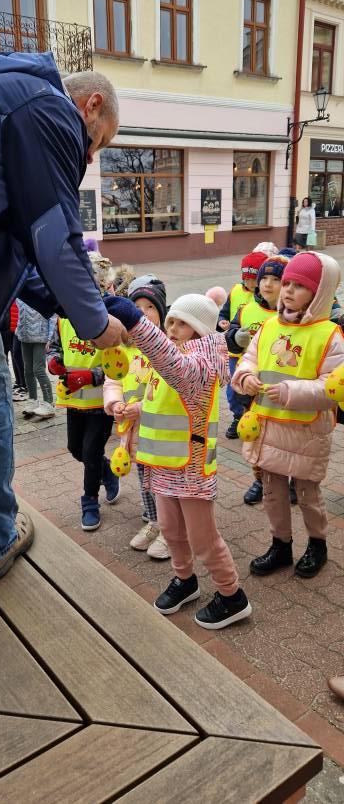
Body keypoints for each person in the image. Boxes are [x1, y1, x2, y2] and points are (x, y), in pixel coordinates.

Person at [0, 53, 125, 606]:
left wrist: (69, 305)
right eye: (99, 142)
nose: (90, 156)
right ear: (90, 105)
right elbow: (52, 237)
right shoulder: (48, 107)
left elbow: (21, 255)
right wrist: (96, 323)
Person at [104, 291, 252, 630]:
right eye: (170, 321)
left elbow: (177, 371)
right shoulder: (178, 356)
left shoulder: (201, 363)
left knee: (203, 538)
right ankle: (185, 580)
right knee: (171, 530)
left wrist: (135, 321)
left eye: (181, 324)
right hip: (164, 464)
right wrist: (135, 408)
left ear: (200, 329)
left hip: (191, 467)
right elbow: (163, 398)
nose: (171, 329)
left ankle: (232, 596)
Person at [232, 252, 344, 578]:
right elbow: (249, 359)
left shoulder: (330, 335)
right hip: (269, 425)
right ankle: (280, 545)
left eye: (300, 285)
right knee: (272, 492)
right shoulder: (269, 325)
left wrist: (290, 392)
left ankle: (317, 545)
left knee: (308, 495)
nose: (288, 290)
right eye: (288, 283)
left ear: (319, 292)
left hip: (307, 432)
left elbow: (331, 387)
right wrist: (245, 377)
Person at [47, 252, 120, 531]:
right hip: (73, 398)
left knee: (90, 452)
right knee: (75, 449)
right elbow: (54, 347)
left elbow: (120, 363)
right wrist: (54, 361)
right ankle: (107, 470)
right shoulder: (63, 316)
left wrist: (92, 376)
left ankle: (90, 501)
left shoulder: (111, 317)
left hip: (102, 401)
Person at [104, 275, 170, 560]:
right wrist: (115, 403)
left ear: (162, 313)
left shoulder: (165, 349)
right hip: (132, 430)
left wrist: (141, 407)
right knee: (144, 481)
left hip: (159, 431)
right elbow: (112, 380)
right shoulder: (122, 350)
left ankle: (169, 531)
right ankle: (154, 522)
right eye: (137, 307)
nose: (143, 313)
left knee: (162, 483)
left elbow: (166, 390)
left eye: (150, 307)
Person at [226, 256, 288, 504]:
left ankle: (292, 481)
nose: (268, 284)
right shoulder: (247, 309)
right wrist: (234, 337)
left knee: (285, 438)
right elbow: (229, 338)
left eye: (276, 279)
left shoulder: (293, 316)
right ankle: (260, 480)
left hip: (281, 388)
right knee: (256, 438)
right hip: (252, 387)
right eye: (264, 278)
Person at [218, 252, 267, 439]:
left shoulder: (266, 298)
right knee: (233, 390)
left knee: (252, 389)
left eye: (254, 279)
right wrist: (222, 322)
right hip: (234, 351)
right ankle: (238, 416)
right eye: (247, 279)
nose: (250, 283)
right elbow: (224, 313)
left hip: (256, 356)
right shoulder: (235, 291)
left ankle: (253, 417)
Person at [15, 302, 57, 419]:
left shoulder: (42, 294)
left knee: (38, 370)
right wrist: (19, 330)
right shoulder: (19, 295)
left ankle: (49, 403)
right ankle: (32, 400)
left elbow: (52, 316)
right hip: (25, 337)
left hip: (41, 337)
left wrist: (50, 337)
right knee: (27, 370)